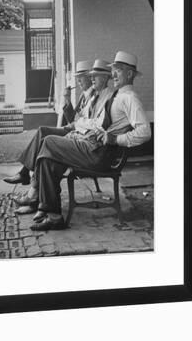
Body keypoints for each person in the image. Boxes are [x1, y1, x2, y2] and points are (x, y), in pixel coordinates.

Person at [28, 51, 151, 231]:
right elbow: (98, 123)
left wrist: (117, 139)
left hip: (99, 154)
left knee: (48, 141)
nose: (114, 74)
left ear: (130, 74)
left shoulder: (130, 98)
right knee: (48, 160)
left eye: (119, 70)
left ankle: (38, 198)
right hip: (92, 147)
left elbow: (145, 131)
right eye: (114, 70)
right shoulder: (117, 96)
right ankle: (52, 214)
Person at [3, 60, 95, 187]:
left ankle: (26, 175)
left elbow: (81, 122)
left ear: (90, 78)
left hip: (78, 135)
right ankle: (24, 173)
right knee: (42, 131)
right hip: (73, 129)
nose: (79, 82)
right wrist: (67, 100)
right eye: (77, 79)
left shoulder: (94, 96)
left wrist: (74, 123)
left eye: (81, 78)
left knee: (45, 136)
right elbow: (72, 119)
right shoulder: (83, 96)